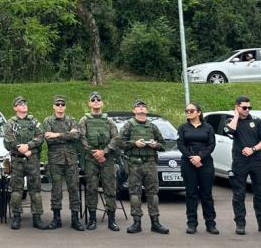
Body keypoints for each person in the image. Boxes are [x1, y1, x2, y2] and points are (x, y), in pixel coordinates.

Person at [223, 95, 261, 236]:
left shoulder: (256, 121)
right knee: (239, 194)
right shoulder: (231, 121)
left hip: (257, 161)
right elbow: (230, 131)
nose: (247, 110)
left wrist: (252, 149)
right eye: (244, 107)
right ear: (237, 107)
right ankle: (240, 224)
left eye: (249, 107)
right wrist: (236, 116)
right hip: (240, 162)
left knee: (260, 193)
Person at [120, 99, 168, 234]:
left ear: (146, 111)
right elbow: (120, 143)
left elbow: (163, 145)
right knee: (135, 194)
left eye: (143, 106)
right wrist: (134, 143)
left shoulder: (152, 127)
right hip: (135, 163)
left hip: (150, 163)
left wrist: (155, 145)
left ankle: (155, 222)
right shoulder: (129, 125)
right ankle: (136, 222)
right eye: (138, 106)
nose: (141, 108)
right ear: (134, 111)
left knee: (153, 194)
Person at [3, 96, 49, 230]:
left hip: (32, 160)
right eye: (20, 104)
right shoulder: (10, 123)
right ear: (15, 108)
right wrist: (20, 149)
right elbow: (8, 140)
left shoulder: (33, 121)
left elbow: (41, 137)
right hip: (17, 160)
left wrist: (28, 146)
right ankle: (16, 216)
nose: (23, 105)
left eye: (24, 103)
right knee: (16, 190)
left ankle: (37, 217)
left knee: (35, 190)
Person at [78, 91, 120, 231]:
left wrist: (104, 152)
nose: (96, 101)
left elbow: (116, 138)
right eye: (93, 100)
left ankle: (112, 221)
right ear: (89, 103)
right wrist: (94, 153)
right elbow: (81, 138)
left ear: (102, 103)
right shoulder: (84, 120)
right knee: (91, 189)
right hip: (91, 160)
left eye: (98, 100)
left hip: (107, 160)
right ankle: (92, 220)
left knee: (110, 189)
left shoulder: (109, 121)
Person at [43, 95, 83, 230]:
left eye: (62, 104)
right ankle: (56, 218)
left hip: (71, 160)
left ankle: (75, 219)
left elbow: (76, 136)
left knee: (73, 189)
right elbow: (49, 139)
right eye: (57, 104)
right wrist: (67, 135)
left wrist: (57, 134)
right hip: (55, 160)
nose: (60, 106)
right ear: (53, 106)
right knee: (56, 190)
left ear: (65, 106)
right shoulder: (48, 121)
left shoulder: (72, 120)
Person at [177, 102, 217, 235]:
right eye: (187, 111)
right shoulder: (183, 128)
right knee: (191, 194)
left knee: (206, 194)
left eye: (191, 110)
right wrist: (192, 158)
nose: (188, 112)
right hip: (188, 163)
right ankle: (192, 223)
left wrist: (200, 157)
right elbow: (181, 145)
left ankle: (210, 223)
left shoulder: (208, 127)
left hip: (205, 163)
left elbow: (211, 144)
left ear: (199, 112)